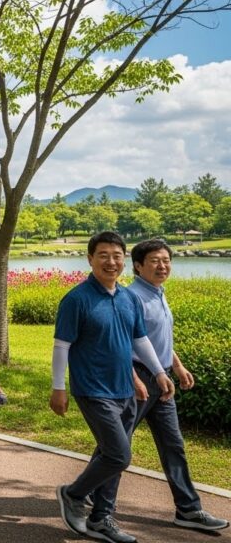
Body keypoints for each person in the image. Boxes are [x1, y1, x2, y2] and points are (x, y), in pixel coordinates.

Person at [52, 231, 175, 542]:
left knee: (112, 455)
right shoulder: (77, 299)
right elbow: (61, 346)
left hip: (125, 389)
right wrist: (58, 388)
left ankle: (101, 518)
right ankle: (73, 493)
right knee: (119, 455)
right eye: (103, 255)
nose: (111, 261)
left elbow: (139, 340)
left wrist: (158, 373)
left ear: (124, 260)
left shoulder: (127, 297)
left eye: (116, 255)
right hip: (93, 390)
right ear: (90, 259)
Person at [102, 239, 227, 531]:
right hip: (136, 379)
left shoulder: (158, 293)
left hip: (161, 379)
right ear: (137, 266)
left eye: (166, 260)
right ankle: (98, 505)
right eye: (155, 261)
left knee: (173, 445)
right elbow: (124, 345)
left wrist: (177, 365)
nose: (163, 266)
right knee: (116, 448)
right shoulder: (130, 297)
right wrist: (134, 378)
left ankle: (188, 509)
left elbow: (156, 341)